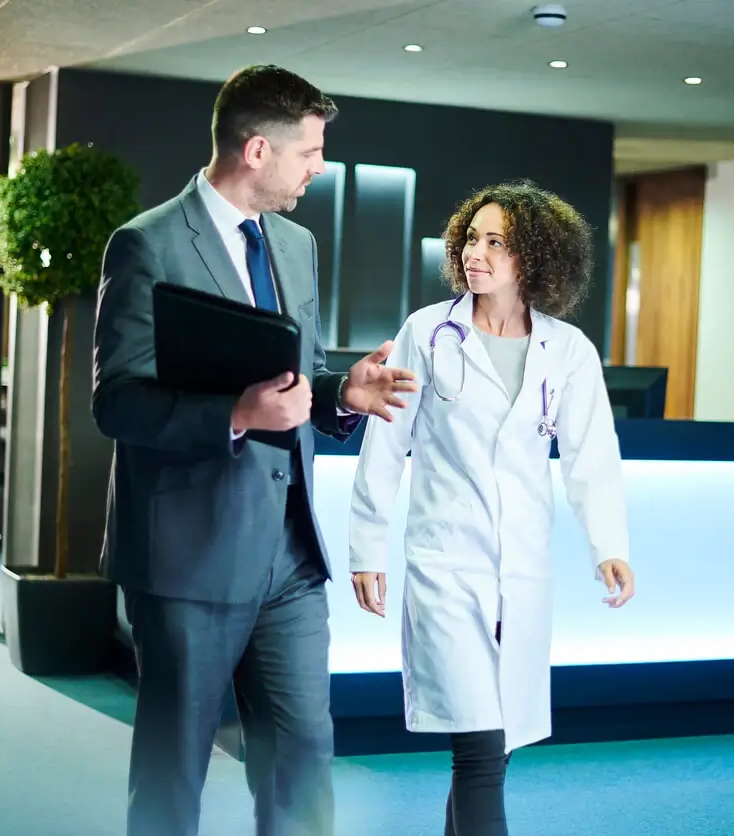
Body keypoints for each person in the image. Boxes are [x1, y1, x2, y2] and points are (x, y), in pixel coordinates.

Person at [92, 64, 418, 836]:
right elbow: (117, 401)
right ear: (257, 149)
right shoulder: (146, 245)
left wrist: (342, 394)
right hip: (187, 560)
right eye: (309, 151)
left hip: (290, 559)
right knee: (174, 774)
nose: (321, 166)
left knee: (304, 762)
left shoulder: (297, 245)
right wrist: (233, 414)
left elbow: (289, 372)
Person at [347, 181, 636, 835]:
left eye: (496, 242)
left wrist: (609, 545)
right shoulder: (427, 332)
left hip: (523, 573)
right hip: (446, 566)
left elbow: (591, 457)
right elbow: (385, 448)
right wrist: (368, 546)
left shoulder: (567, 351)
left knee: (492, 754)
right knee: (478, 747)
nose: (476, 252)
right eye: (472, 237)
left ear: (533, 257)